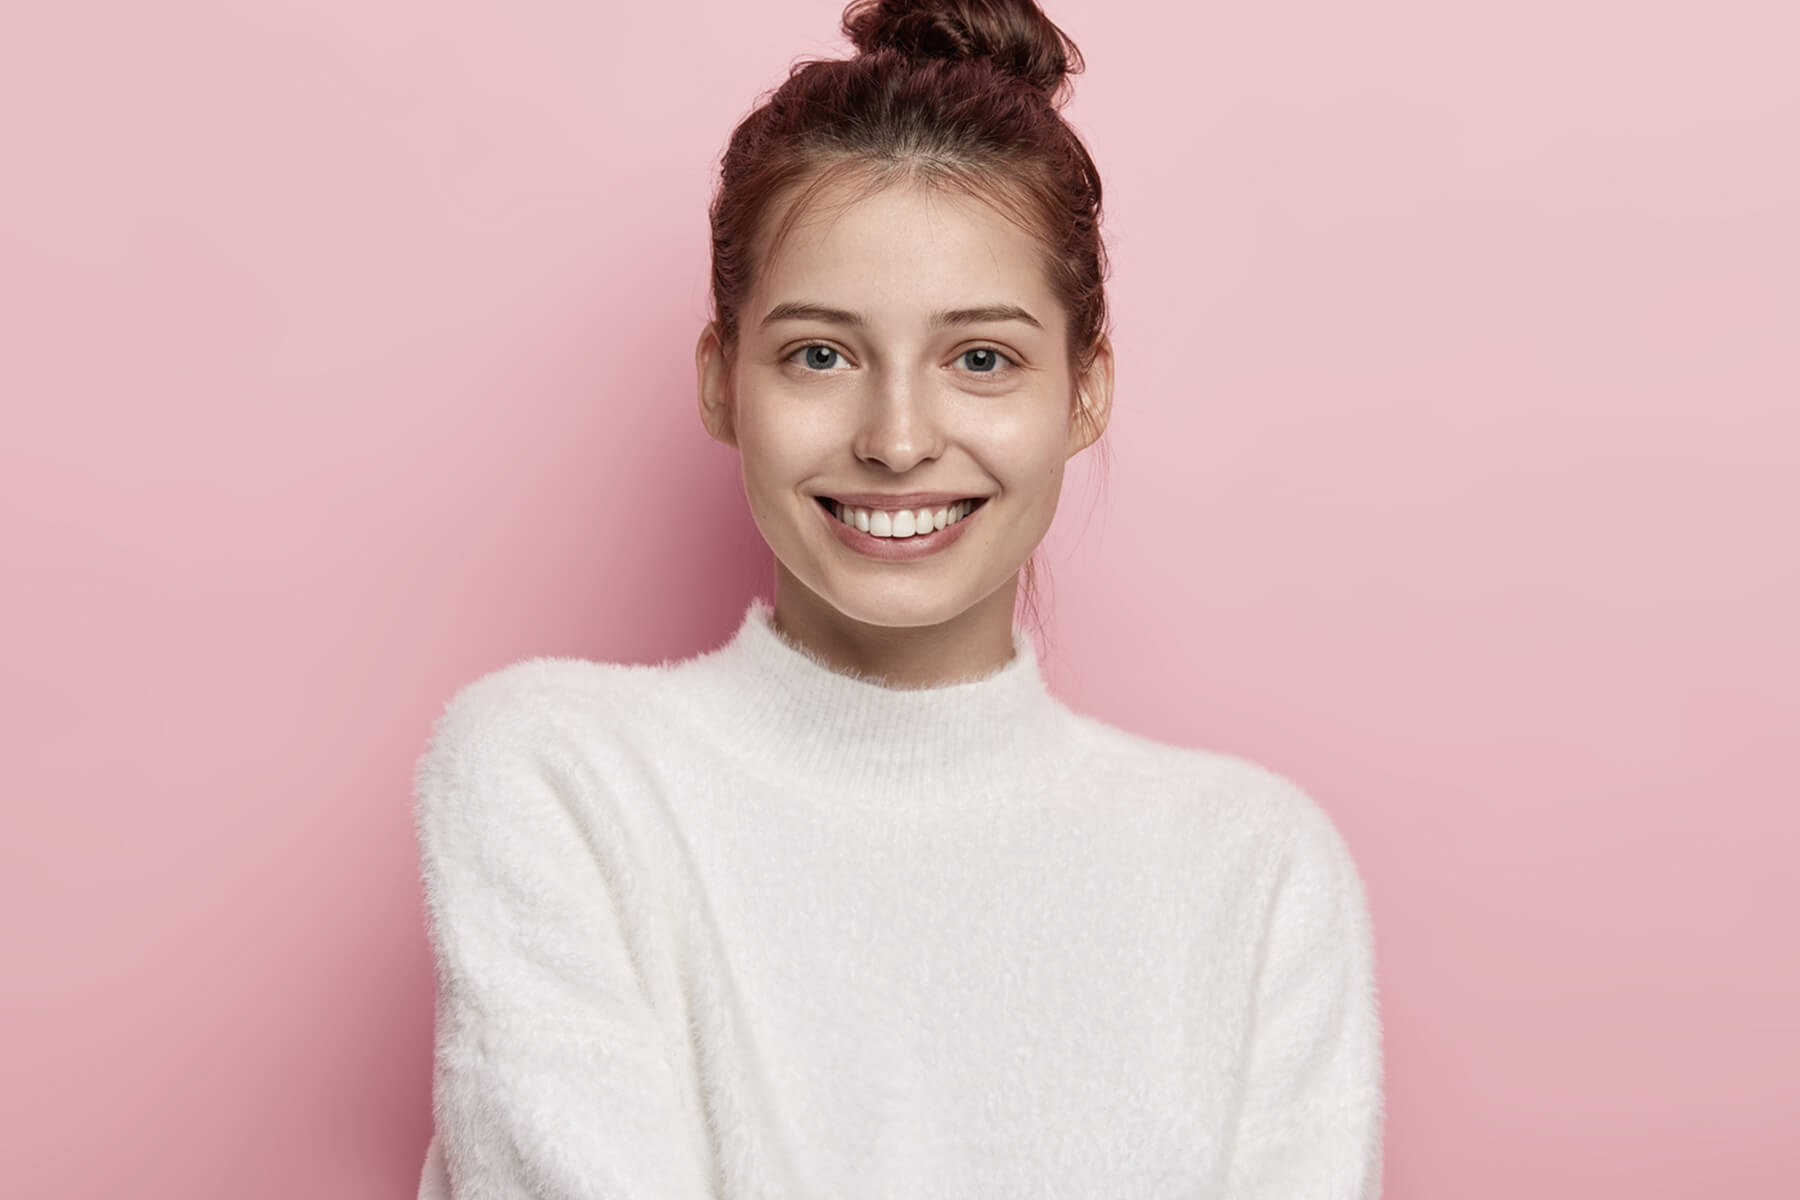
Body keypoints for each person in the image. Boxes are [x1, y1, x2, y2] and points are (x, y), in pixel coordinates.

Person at [413, 0, 1384, 1196]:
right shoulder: (559, 779)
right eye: (820, 354)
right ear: (723, 381)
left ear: (1085, 393)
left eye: (982, 358)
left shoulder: (1257, 873)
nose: (898, 439)